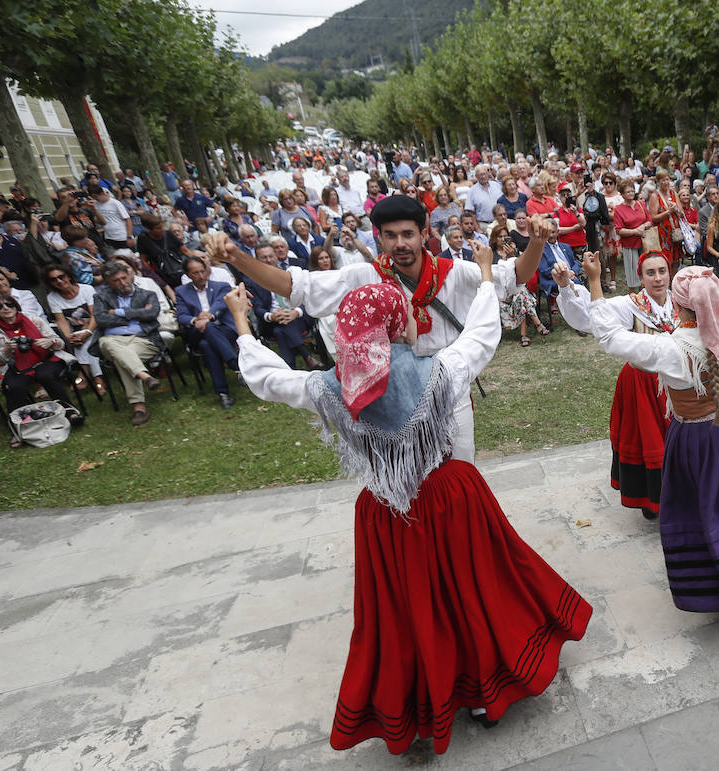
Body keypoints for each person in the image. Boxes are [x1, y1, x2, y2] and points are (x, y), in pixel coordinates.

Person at [228, 270, 590, 755]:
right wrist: (485, 278)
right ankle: (485, 695)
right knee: (472, 588)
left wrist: (243, 326)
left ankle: (425, 696)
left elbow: (269, 380)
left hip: (386, 512)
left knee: (411, 606)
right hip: (449, 497)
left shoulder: (328, 387)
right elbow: (482, 334)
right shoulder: (440, 369)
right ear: (399, 326)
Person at [212, 194, 540, 461]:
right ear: (379, 237)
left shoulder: (454, 271)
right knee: (406, 480)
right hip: (388, 392)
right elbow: (295, 286)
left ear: (424, 234)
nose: (400, 243)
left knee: (458, 473)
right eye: (390, 235)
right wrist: (237, 258)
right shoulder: (364, 277)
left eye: (408, 234)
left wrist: (536, 242)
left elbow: (514, 277)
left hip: (446, 387)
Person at [584, 224, 719, 614]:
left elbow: (610, 338)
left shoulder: (669, 348)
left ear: (680, 306)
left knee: (704, 511)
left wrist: (595, 283)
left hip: (695, 440)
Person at [555, 249, 719, 519]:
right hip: (642, 385)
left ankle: (693, 493)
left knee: (686, 440)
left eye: (662, 271)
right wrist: (568, 286)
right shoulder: (630, 305)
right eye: (650, 273)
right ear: (641, 277)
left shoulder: (684, 301)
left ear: (670, 273)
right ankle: (654, 500)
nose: (658, 278)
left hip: (681, 384)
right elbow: (592, 317)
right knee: (650, 441)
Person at [0, 293, 82, 444]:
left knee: (46, 375)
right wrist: (7, 350)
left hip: (46, 359)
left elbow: (60, 343)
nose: (5, 308)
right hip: (16, 367)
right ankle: (18, 428)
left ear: (16, 306)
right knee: (14, 386)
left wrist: (50, 342)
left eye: (9, 304)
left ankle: (69, 412)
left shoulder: (34, 319)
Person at [92, 261, 163, 426]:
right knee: (106, 342)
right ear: (108, 283)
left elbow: (152, 313)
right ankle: (145, 376)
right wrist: (138, 315)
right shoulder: (101, 297)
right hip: (112, 340)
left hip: (143, 339)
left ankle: (139, 407)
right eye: (116, 280)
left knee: (121, 359)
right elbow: (101, 319)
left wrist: (117, 312)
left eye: (124, 277)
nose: (123, 283)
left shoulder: (147, 294)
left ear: (130, 275)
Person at [175, 255, 240, 408]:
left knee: (207, 345)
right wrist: (195, 320)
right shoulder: (181, 291)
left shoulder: (221, 286)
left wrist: (208, 316)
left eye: (203, 271)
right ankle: (235, 364)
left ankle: (223, 393)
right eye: (195, 273)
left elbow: (221, 304)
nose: (201, 276)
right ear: (188, 275)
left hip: (223, 330)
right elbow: (182, 315)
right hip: (196, 332)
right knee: (206, 333)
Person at [44, 265, 105, 396]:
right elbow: (61, 320)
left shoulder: (86, 289)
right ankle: (97, 378)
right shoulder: (52, 297)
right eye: (54, 280)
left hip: (97, 325)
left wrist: (87, 332)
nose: (59, 281)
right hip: (77, 332)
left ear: (68, 276)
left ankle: (86, 375)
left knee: (86, 341)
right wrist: (68, 337)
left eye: (61, 277)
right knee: (80, 340)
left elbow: (96, 314)